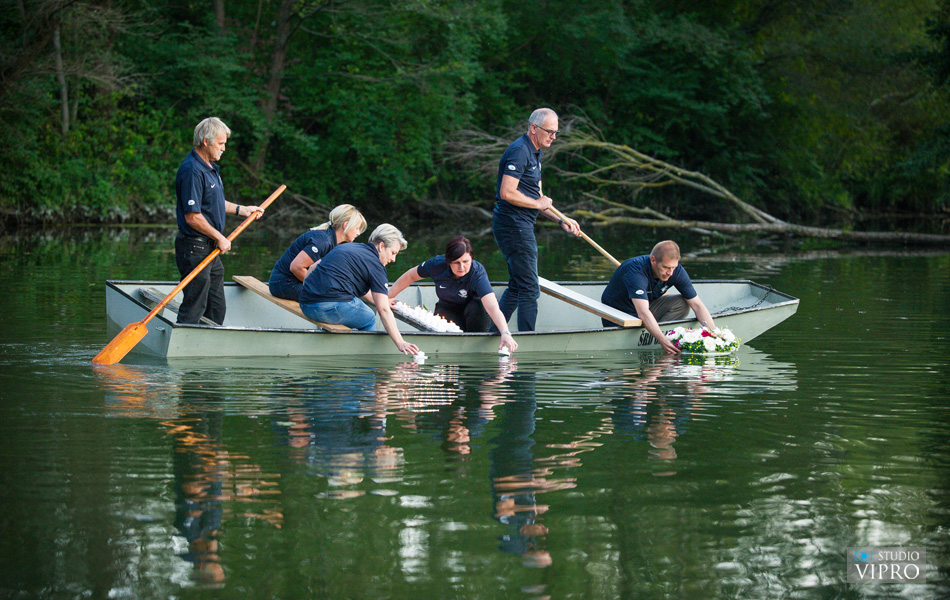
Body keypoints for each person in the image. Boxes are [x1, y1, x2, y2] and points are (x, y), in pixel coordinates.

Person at [493, 107, 581, 332]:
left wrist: (562, 220)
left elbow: (539, 199)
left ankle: (493, 333)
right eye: (550, 131)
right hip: (512, 226)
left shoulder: (536, 153)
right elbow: (507, 192)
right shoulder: (520, 151)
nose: (553, 136)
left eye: (556, 133)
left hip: (521, 225)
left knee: (517, 286)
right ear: (533, 128)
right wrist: (538, 204)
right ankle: (527, 340)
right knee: (530, 289)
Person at [175, 117, 263, 325]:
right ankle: (185, 345)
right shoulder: (192, 171)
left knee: (216, 308)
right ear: (206, 142)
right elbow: (193, 216)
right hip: (195, 248)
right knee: (195, 306)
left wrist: (243, 210)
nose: (224, 148)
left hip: (210, 250)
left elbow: (214, 202)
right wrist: (220, 237)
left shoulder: (210, 167)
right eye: (221, 144)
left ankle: (207, 348)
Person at [298, 223, 420, 355]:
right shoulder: (376, 266)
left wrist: (311, 294)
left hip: (305, 304)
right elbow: (383, 309)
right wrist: (400, 342)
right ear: (381, 246)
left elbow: (312, 268)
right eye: (393, 253)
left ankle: (332, 347)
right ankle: (368, 358)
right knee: (368, 317)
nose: (393, 259)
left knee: (355, 303)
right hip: (326, 308)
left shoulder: (348, 247)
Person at [387, 236, 518, 353]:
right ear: (448, 261)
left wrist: (505, 332)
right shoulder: (437, 264)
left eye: (466, 261)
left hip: (474, 312)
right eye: (456, 262)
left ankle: (475, 349)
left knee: (478, 306)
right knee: (445, 333)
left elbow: (492, 307)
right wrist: (386, 298)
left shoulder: (477, 272)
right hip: (447, 309)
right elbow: (410, 276)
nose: (461, 267)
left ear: (471, 258)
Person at [601, 240, 717, 355]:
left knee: (682, 303)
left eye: (673, 267)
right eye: (666, 267)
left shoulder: (676, 271)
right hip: (618, 316)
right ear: (653, 260)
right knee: (645, 314)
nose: (670, 273)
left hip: (645, 309)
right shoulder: (635, 270)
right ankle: (661, 340)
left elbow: (697, 306)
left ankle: (660, 337)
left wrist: (714, 334)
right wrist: (662, 340)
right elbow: (643, 312)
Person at [267, 204, 367, 301]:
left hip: (290, 283)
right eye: (357, 228)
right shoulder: (323, 241)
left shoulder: (331, 241)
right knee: (335, 298)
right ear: (345, 225)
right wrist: (318, 287)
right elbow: (296, 267)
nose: (358, 233)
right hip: (283, 284)